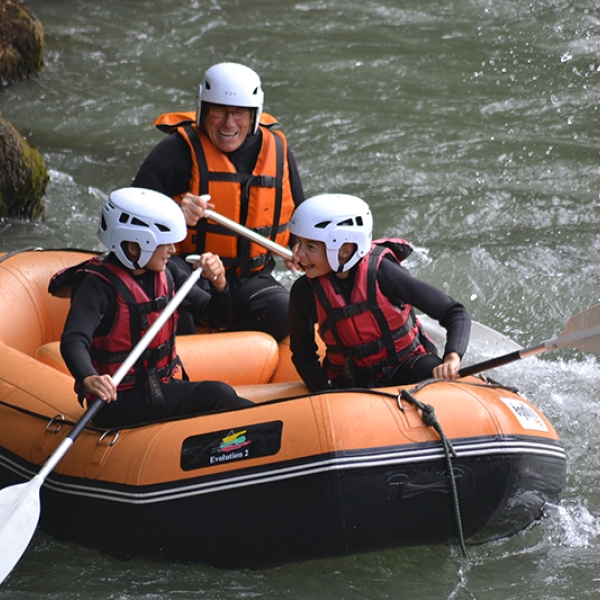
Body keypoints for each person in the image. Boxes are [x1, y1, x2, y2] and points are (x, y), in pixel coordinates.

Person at [132, 62, 305, 341]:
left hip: (247, 279)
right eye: (218, 111)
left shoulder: (278, 150)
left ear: (254, 116)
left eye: (239, 113)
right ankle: (187, 349)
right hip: (187, 271)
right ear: (202, 111)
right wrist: (175, 213)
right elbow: (129, 217)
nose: (228, 122)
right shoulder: (175, 151)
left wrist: (301, 247)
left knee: (285, 311)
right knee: (178, 296)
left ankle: (219, 348)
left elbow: (299, 219)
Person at [55, 187, 253, 428]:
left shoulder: (169, 271)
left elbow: (216, 320)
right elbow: (74, 340)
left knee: (229, 399)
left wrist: (220, 285)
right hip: (116, 400)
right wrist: (89, 377)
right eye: (165, 244)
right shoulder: (97, 285)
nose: (173, 250)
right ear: (134, 246)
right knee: (218, 394)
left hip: (159, 387)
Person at [287, 194, 472, 392]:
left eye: (310, 247)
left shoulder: (383, 273)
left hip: (407, 367)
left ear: (344, 250)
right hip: (352, 381)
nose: (298, 255)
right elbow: (303, 355)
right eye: (300, 244)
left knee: (432, 376)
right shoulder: (303, 291)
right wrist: (324, 393)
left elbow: (455, 312)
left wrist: (452, 358)